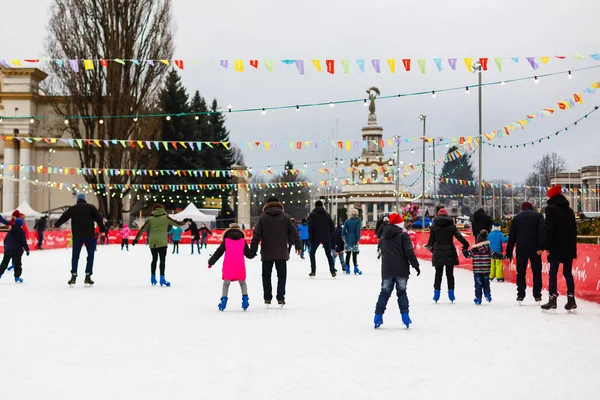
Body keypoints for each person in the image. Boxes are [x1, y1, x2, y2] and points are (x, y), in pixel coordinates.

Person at [250, 196, 301, 306]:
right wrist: (298, 245)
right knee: (282, 276)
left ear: (266, 205)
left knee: (266, 276)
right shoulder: (285, 217)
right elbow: (293, 232)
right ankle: (280, 297)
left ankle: (267, 298)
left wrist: (253, 250)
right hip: (281, 252)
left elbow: (256, 235)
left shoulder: (262, 218)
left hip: (267, 252)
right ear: (279, 204)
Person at [374, 212, 420, 329]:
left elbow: (384, 252)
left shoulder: (384, 237)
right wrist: (416, 266)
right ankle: (405, 317)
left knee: (384, 293)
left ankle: (377, 316)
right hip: (401, 270)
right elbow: (409, 252)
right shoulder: (404, 236)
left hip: (387, 270)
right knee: (402, 293)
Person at [54, 193, 105, 286]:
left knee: (75, 256)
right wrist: (102, 230)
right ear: (85, 199)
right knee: (90, 256)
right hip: (89, 235)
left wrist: (56, 224)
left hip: (77, 236)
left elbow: (64, 217)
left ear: (77, 200)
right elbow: (99, 218)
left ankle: (73, 276)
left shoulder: (73, 208)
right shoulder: (91, 207)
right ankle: (88, 276)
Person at [541, 185, 578, 311]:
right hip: (568, 246)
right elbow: (574, 230)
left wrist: (546, 246)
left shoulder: (550, 209)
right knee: (567, 272)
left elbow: (549, 229)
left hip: (555, 246)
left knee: (553, 273)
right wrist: (573, 246)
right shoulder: (570, 210)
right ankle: (571, 299)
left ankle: (552, 299)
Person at [133, 204, 185, 287]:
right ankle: (162, 279)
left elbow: (142, 229)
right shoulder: (165, 217)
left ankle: (153, 278)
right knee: (162, 260)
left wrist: (136, 239)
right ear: (162, 209)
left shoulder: (150, 219)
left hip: (152, 241)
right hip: (162, 241)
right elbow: (177, 223)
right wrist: (184, 222)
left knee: (154, 259)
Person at [208, 223, 255, 311]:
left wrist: (211, 262)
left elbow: (218, 252)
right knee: (242, 282)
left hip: (228, 264)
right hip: (239, 264)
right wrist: (254, 252)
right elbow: (249, 255)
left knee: (226, 283)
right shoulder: (242, 241)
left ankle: (223, 302)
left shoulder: (226, 241)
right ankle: (245, 301)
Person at [426, 208, 469, 303]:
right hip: (450, 252)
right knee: (450, 274)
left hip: (438, 252)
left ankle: (436, 294)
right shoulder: (452, 226)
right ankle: (451, 293)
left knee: (438, 274)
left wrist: (431, 248)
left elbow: (430, 242)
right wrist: (466, 244)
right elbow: (459, 236)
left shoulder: (434, 226)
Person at [505, 202, 545, 303]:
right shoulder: (538, 216)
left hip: (521, 249)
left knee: (521, 272)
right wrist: (541, 246)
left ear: (522, 209)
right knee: (536, 272)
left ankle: (520, 294)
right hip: (535, 249)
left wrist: (508, 253)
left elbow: (512, 237)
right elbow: (542, 231)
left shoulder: (517, 218)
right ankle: (537, 295)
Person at [465, 230, 501, 305]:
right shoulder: (488, 249)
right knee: (486, 283)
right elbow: (494, 255)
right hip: (486, 270)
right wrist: (501, 256)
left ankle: (478, 298)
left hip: (477, 271)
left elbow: (467, 255)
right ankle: (487, 295)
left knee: (478, 285)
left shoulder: (474, 250)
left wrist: (464, 250)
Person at [308, 200, 336, 278]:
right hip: (326, 236)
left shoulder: (312, 215)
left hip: (316, 236)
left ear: (315, 206)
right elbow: (332, 227)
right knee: (328, 254)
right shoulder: (327, 215)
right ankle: (332, 271)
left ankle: (313, 271)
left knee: (312, 253)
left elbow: (310, 228)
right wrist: (329, 234)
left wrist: (310, 238)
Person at [0, 218, 30, 283]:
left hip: (8, 250)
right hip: (17, 251)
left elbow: (5, 240)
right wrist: (27, 249)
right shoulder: (21, 232)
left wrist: (6, 248)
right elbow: (23, 242)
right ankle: (17, 277)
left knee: (4, 263)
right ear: (21, 224)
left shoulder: (10, 231)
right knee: (17, 264)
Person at [342, 208, 363, 275]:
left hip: (348, 238)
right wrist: (358, 239)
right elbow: (358, 231)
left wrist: (343, 237)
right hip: (354, 238)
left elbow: (343, 230)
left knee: (348, 254)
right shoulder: (358, 221)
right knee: (354, 254)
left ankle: (347, 269)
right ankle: (355, 269)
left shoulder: (347, 221)